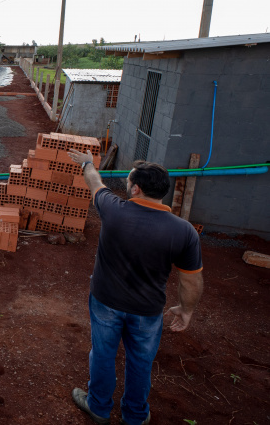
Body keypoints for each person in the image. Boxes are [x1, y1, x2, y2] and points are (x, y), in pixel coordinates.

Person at [67, 150, 204, 425]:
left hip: (106, 302)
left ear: (136, 188)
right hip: (147, 310)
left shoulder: (113, 210)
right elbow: (191, 279)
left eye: (129, 182)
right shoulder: (184, 231)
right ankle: (135, 415)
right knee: (141, 362)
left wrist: (87, 163)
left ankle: (98, 407)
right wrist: (186, 310)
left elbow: (95, 182)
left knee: (103, 354)